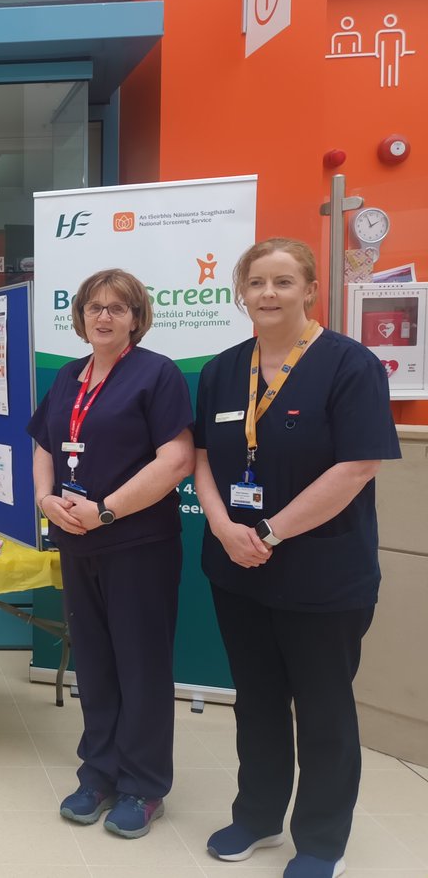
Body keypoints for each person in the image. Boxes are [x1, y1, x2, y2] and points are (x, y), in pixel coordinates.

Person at [193, 238, 400, 878]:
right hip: (237, 569)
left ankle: (320, 840)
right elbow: (202, 458)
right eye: (256, 282)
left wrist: (271, 534)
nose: (269, 294)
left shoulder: (349, 365)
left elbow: (357, 465)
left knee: (323, 709)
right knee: (255, 701)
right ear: (241, 292)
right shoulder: (225, 369)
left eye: (283, 282)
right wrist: (227, 528)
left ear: (310, 289)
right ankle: (257, 816)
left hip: (322, 575)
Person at [28, 268, 194, 838]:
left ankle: (143, 785)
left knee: (140, 666)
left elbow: (175, 461)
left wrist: (105, 511)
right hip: (77, 544)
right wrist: (46, 499)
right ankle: (97, 773)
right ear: (79, 318)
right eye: (94, 307)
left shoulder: (157, 374)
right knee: (94, 664)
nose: (104, 316)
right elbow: (45, 443)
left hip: (136, 544)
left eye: (117, 308)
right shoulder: (68, 377)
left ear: (136, 318)